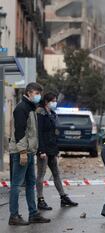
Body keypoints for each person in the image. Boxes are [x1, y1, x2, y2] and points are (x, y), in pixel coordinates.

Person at [8, 82, 51, 225]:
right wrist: (22, 152)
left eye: (39, 93)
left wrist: (34, 150)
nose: (38, 96)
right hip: (22, 152)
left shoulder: (32, 108)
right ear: (29, 92)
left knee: (31, 183)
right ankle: (14, 216)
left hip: (29, 152)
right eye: (36, 93)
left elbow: (32, 133)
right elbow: (20, 131)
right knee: (16, 184)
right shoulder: (22, 108)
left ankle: (33, 214)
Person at [36, 92, 78, 211]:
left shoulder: (52, 114)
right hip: (43, 150)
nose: (55, 102)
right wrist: (41, 150)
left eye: (55, 100)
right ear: (46, 102)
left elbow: (54, 134)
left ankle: (63, 197)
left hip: (52, 149)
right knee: (41, 175)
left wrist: (56, 150)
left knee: (56, 174)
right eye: (53, 100)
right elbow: (39, 133)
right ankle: (40, 200)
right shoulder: (41, 113)